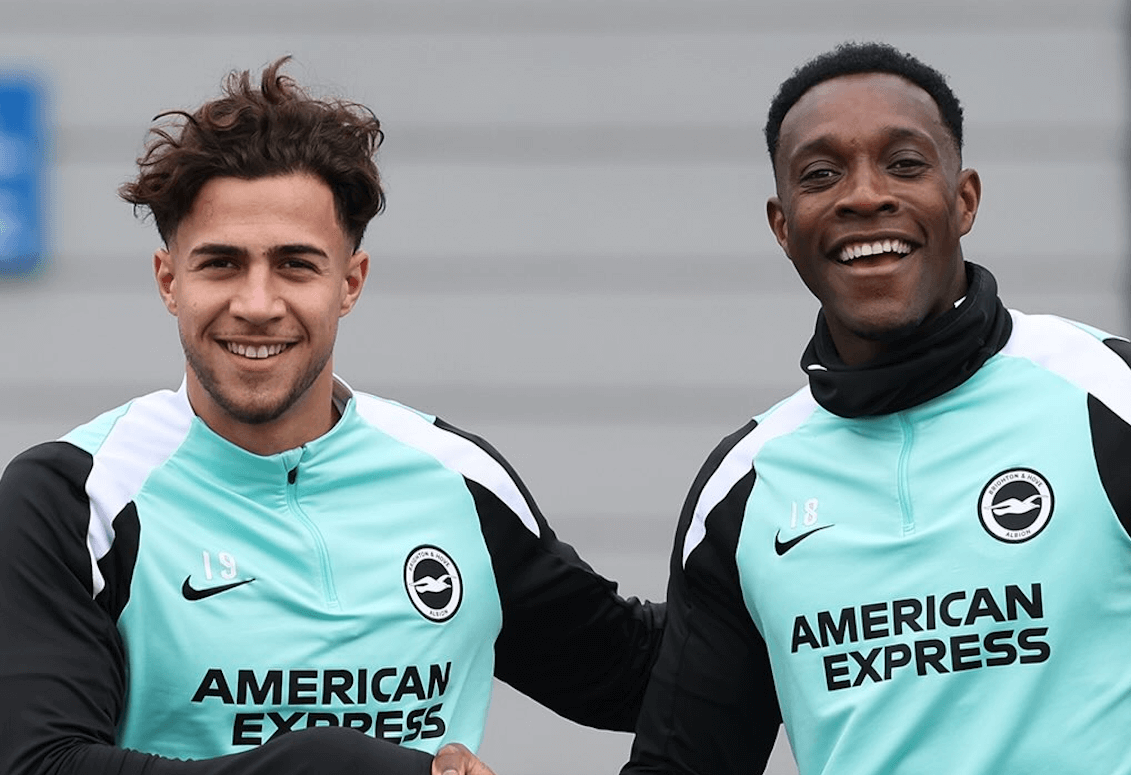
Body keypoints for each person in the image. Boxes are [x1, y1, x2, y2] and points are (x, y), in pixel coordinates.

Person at [0, 58, 662, 775]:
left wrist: (743, 527)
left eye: (295, 264)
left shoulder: (453, 478)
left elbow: (637, 672)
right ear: (170, 280)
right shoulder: (77, 497)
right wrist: (328, 764)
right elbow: (41, 762)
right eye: (221, 263)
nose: (257, 304)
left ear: (350, 282)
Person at [621, 41, 1131, 774]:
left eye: (904, 164)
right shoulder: (745, 489)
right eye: (821, 174)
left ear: (964, 200)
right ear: (783, 225)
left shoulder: (1125, 404)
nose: (865, 196)